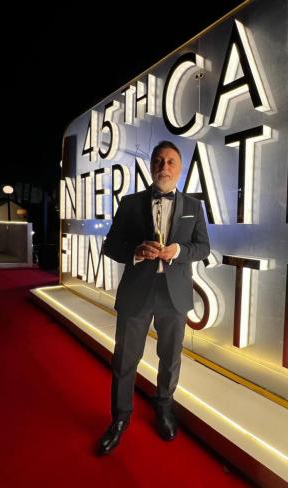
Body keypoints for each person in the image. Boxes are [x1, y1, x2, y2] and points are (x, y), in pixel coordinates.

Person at [97, 140, 210, 454]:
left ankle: (163, 407)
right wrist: (134, 251)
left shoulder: (193, 206)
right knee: (125, 359)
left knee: (170, 358)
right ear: (151, 166)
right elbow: (111, 246)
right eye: (159, 161)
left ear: (180, 168)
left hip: (175, 295)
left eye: (171, 161)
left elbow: (204, 247)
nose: (164, 167)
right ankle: (120, 418)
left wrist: (179, 251)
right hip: (137, 292)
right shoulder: (130, 203)